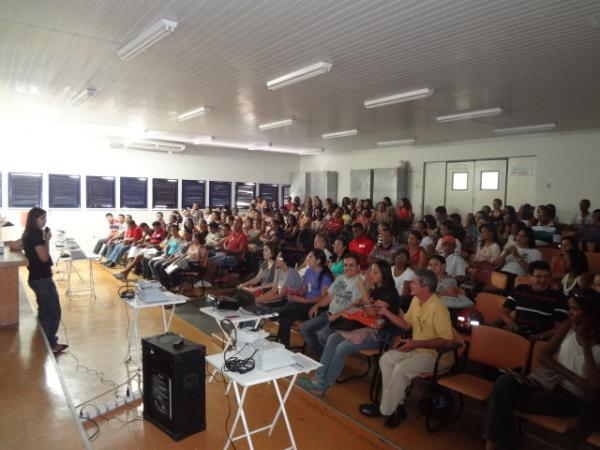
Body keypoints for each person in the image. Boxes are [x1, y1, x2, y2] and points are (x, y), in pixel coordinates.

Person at [484, 289, 600, 450]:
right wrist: (575, 378)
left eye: (575, 309)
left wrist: (586, 346)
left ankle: (499, 443)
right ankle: (496, 444)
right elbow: (544, 356)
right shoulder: (568, 325)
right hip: (549, 382)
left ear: (589, 312)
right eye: (569, 308)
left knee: (503, 398)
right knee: (504, 382)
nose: (570, 313)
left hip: (572, 397)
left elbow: (594, 385)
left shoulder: (597, 343)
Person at [358, 269, 456, 428]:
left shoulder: (438, 308)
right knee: (387, 359)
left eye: (414, 282)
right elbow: (405, 324)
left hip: (436, 356)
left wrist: (416, 344)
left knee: (401, 369)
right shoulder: (417, 301)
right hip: (416, 350)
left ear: (425, 288)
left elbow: (445, 341)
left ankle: (385, 409)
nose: (410, 284)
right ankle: (398, 407)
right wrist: (386, 312)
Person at [298, 260, 400, 395]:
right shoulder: (375, 288)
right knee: (333, 338)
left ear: (385, 275)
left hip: (379, 335)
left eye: (375, 272)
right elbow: (361, 306)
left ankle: (324, 386)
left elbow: (372, 313)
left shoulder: (389, 293)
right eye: (370, 271)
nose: (370, 274)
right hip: (364, 328)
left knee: (342, 347)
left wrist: (363, 289)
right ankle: (318, 379)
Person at [22, 208, 68, 353]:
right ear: (34, 219)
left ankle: (42, 341)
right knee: (53, 312)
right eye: (42, 218)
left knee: (44, 311)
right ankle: (50, 344)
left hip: (36, 278)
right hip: (42, 279)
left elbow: (17, 244)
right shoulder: (36, 235)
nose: (45, 221)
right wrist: (47, 240)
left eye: (45, 218)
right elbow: (44, 258)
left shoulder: (27, 233)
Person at [300, 253, 362, 356]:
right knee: (305, 328)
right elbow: (329, 297)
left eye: (352, 265)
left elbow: (355, 306)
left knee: (323, 335)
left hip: (344, 319)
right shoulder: (340, 278)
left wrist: (337, 315)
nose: (347, 268)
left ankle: (327, 358)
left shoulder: (359, 282)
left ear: (358, 267)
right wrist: (317, 305)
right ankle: (323, 356)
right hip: (329, 313)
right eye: (345, 265)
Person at [275, 249, 334, 348]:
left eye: (310, 257)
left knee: (291, 306)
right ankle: (283, 348)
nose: (307, 259)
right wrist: (293, 292)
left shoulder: (325, 276)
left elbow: (323, 298)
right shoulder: (309, 271)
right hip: (304, 306)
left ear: (318, 261)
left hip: (317, 308)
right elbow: (303, 291)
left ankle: (271, 313)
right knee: (285, 318)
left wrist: (304, 301)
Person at [500, 261, 568, 340]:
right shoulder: (520, 289)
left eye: (546, 277)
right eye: (538, 276)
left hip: (540, 340)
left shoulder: (559, 297)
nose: (543, 280)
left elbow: (559, 329)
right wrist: (511, 324)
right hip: (517, 333)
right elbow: (503, 311)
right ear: (530, 277)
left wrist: (538, 337)